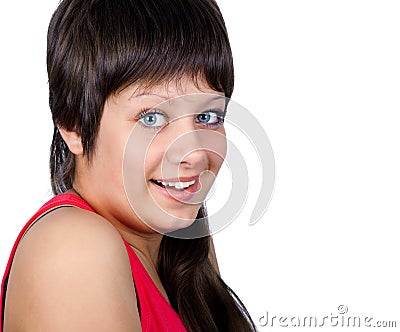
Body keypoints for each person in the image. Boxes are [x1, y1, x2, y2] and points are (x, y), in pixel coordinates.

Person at [1, 0, 257, 331]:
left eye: (207, 116)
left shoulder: (186, 249)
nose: (193, 153)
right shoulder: (74, 248)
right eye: (152, 118)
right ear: (74, 126)